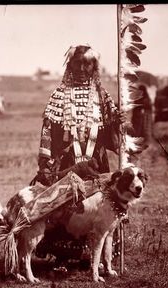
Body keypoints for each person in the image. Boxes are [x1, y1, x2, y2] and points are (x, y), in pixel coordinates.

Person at [36, 44, 126, 186]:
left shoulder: (102, 96)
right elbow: (46, 133)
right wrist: (45, 165)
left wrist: (117, 123)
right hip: (66, 166)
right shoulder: (58, 95)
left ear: (94, 67)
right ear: (70, 65)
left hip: (97, 165)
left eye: (87, 64)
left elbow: (113, 139)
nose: (82, 69)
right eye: (77, 63)